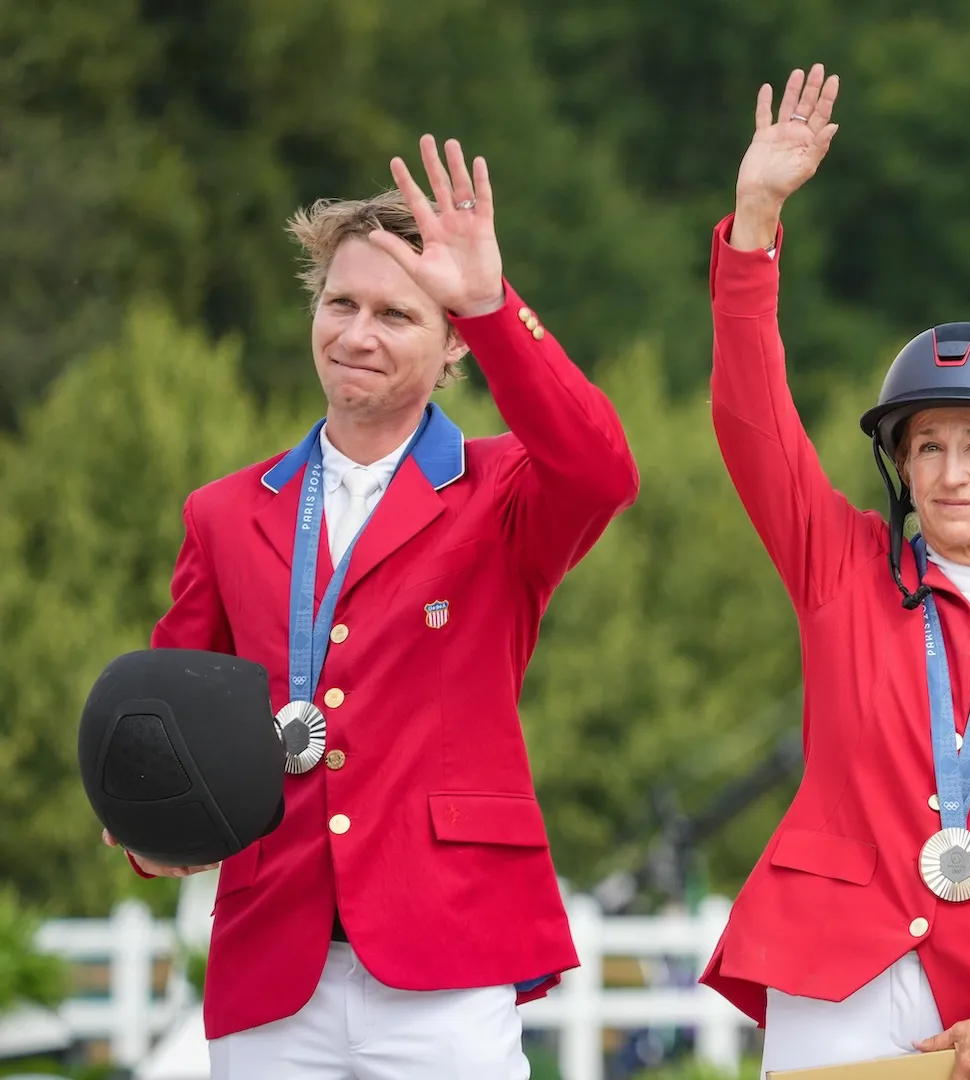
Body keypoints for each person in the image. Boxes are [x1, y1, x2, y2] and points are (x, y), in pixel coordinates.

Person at [104, 135, 641, 1078]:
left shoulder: (504, 491)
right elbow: (178, 705)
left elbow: (602, 467)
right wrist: (154, 826)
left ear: (449, 353)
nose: (357, 333)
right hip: (274, 962)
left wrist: (491, 303)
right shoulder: (224, 515)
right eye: (340, 304)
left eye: (396, 314)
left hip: (446, 955)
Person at [696, 64, 970, 1080]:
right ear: (901, 467)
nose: (951, 473)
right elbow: (750, 420)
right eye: (927, 446)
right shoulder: (837, 564)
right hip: (833, 973)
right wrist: (756, 220)